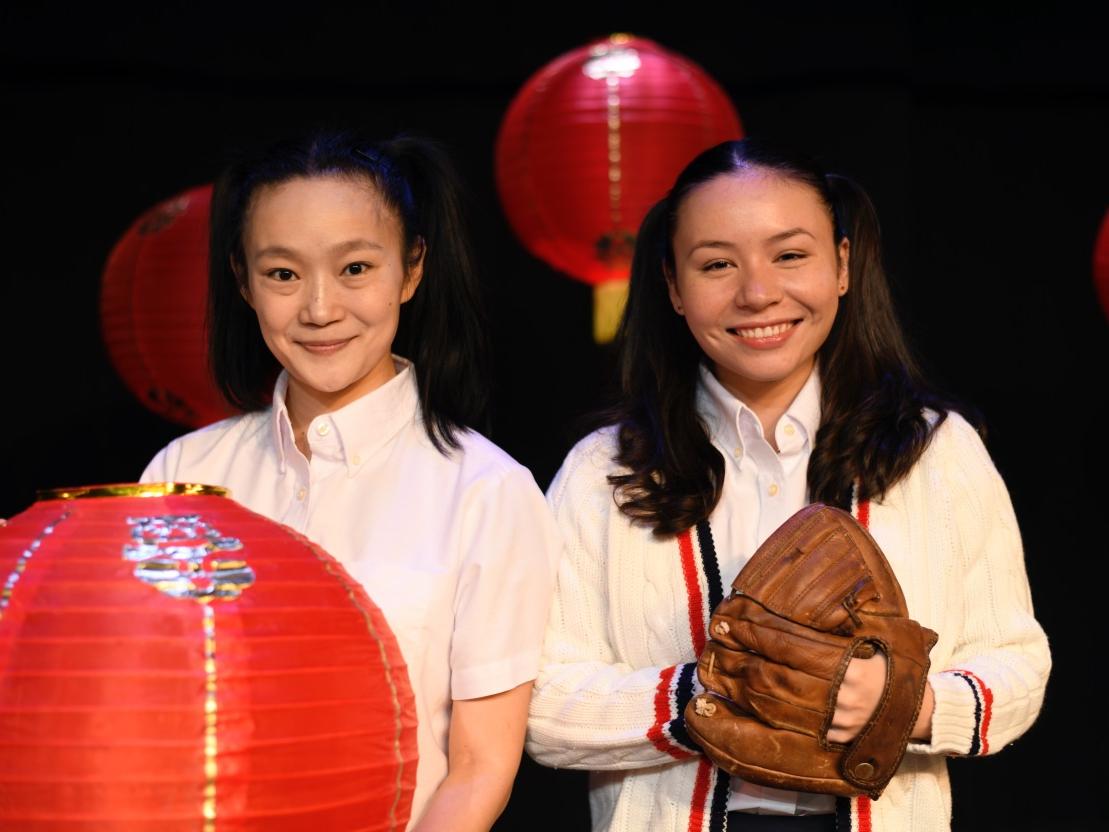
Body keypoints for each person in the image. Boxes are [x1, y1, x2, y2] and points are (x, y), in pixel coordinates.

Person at [526, 138, 1050, 831]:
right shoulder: (605, 471)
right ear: (674, 288)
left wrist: (901, 703)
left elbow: (1016, 663)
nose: (756, 292)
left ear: (841, 264)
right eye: (716, 264)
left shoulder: (933, 449)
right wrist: (710, 692)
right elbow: (535, 703)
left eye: (789, 254)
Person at [141, 130, 561, 831]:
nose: (319, 308)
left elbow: (481, 766)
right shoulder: (184, 474)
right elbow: (145, 709)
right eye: (282, 275)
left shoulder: (485, 491)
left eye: (355, 268)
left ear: (411, 269)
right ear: (242, 280)